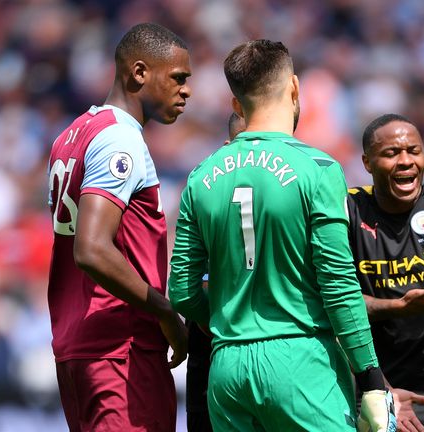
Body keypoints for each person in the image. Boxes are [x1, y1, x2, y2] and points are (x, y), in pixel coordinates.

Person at [168, 39, 395, 432]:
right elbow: (338, 284)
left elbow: (182, 290)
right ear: (293, 88)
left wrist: (225, 325)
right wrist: (371, 376)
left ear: (236, 104)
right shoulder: (318, 169)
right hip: (302, 362)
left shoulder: (201, 177)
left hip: (227, 369)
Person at [46, 22, 190, 431]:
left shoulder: (71, 134)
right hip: (119, 346)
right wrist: (164, 312)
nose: (187, 91)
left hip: (80, 344)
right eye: (178, 78)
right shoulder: (119, 140)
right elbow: (91, 248)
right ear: (140, 72)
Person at [348, 113, 424, 432]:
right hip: (378, 389)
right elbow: (341, 305)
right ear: (367, 163)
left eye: (413, 150)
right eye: (391, 153)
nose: (405, 161)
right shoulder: (349, 210)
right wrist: (400, 307)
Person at [184, 111, 246, 432]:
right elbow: (190, 286)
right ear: (227, 147)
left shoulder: (200, 187)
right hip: (216, 351)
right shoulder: (205, 192)